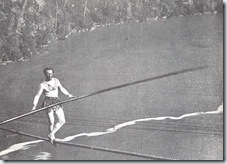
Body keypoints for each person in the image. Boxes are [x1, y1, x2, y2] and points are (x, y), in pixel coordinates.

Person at [32, 67, 76, 144]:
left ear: (53, 73)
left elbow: (61, 88)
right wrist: (34, 107)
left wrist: (69, 95)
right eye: (48, 74)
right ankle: (52, 137)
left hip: (56, 101)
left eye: (51, 73)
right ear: (45, 74)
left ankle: (51, 134)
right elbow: (37, 95)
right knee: (51, 122)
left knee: (62, 121)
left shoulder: (56, 80)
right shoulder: (42, 85)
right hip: (48, 103)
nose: (49, 75)